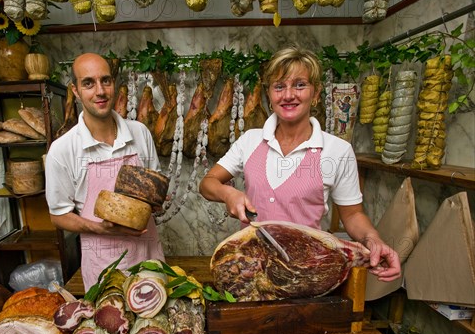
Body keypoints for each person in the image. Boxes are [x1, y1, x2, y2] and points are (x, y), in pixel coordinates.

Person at [199, 46, 400, 282]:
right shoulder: (250, 140)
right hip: (251, 270)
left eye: (300, 85)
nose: (288, 95)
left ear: (316, 93)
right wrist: (228, 193)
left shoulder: (338, 151)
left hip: (309, 273)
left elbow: (353, 215)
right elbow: (207, 183)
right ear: (270, 95)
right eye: (279, 86)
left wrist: (373, 240)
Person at [45, 53, 164, 290]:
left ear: (114, 84)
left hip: (150, 260)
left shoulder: (139, 132)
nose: (100, 91)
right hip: (104, 267)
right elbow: (58, 215)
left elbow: (155, 192)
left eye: (106, 81)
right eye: (88, 83)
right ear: (75, 91)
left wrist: (157, 202)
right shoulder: (63, 149)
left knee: (155, 325)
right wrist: (99, 227)